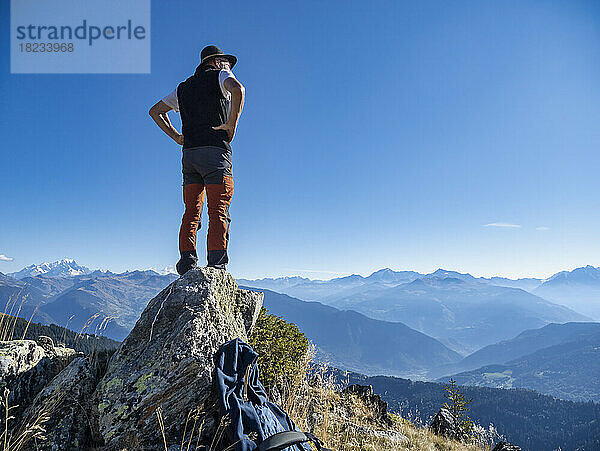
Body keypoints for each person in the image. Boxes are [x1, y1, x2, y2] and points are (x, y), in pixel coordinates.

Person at [149, 45, 245, 275]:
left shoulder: (182, 89)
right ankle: (217, 264)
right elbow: (239, 89)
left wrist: (176, 137)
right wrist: (232, 123)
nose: (228, 66)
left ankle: (187, 261)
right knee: (218, 208)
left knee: (191, 209)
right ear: (216, 61)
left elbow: (155, 111)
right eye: (226, 62)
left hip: (190, 156)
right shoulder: (222, 75)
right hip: (215, 153)